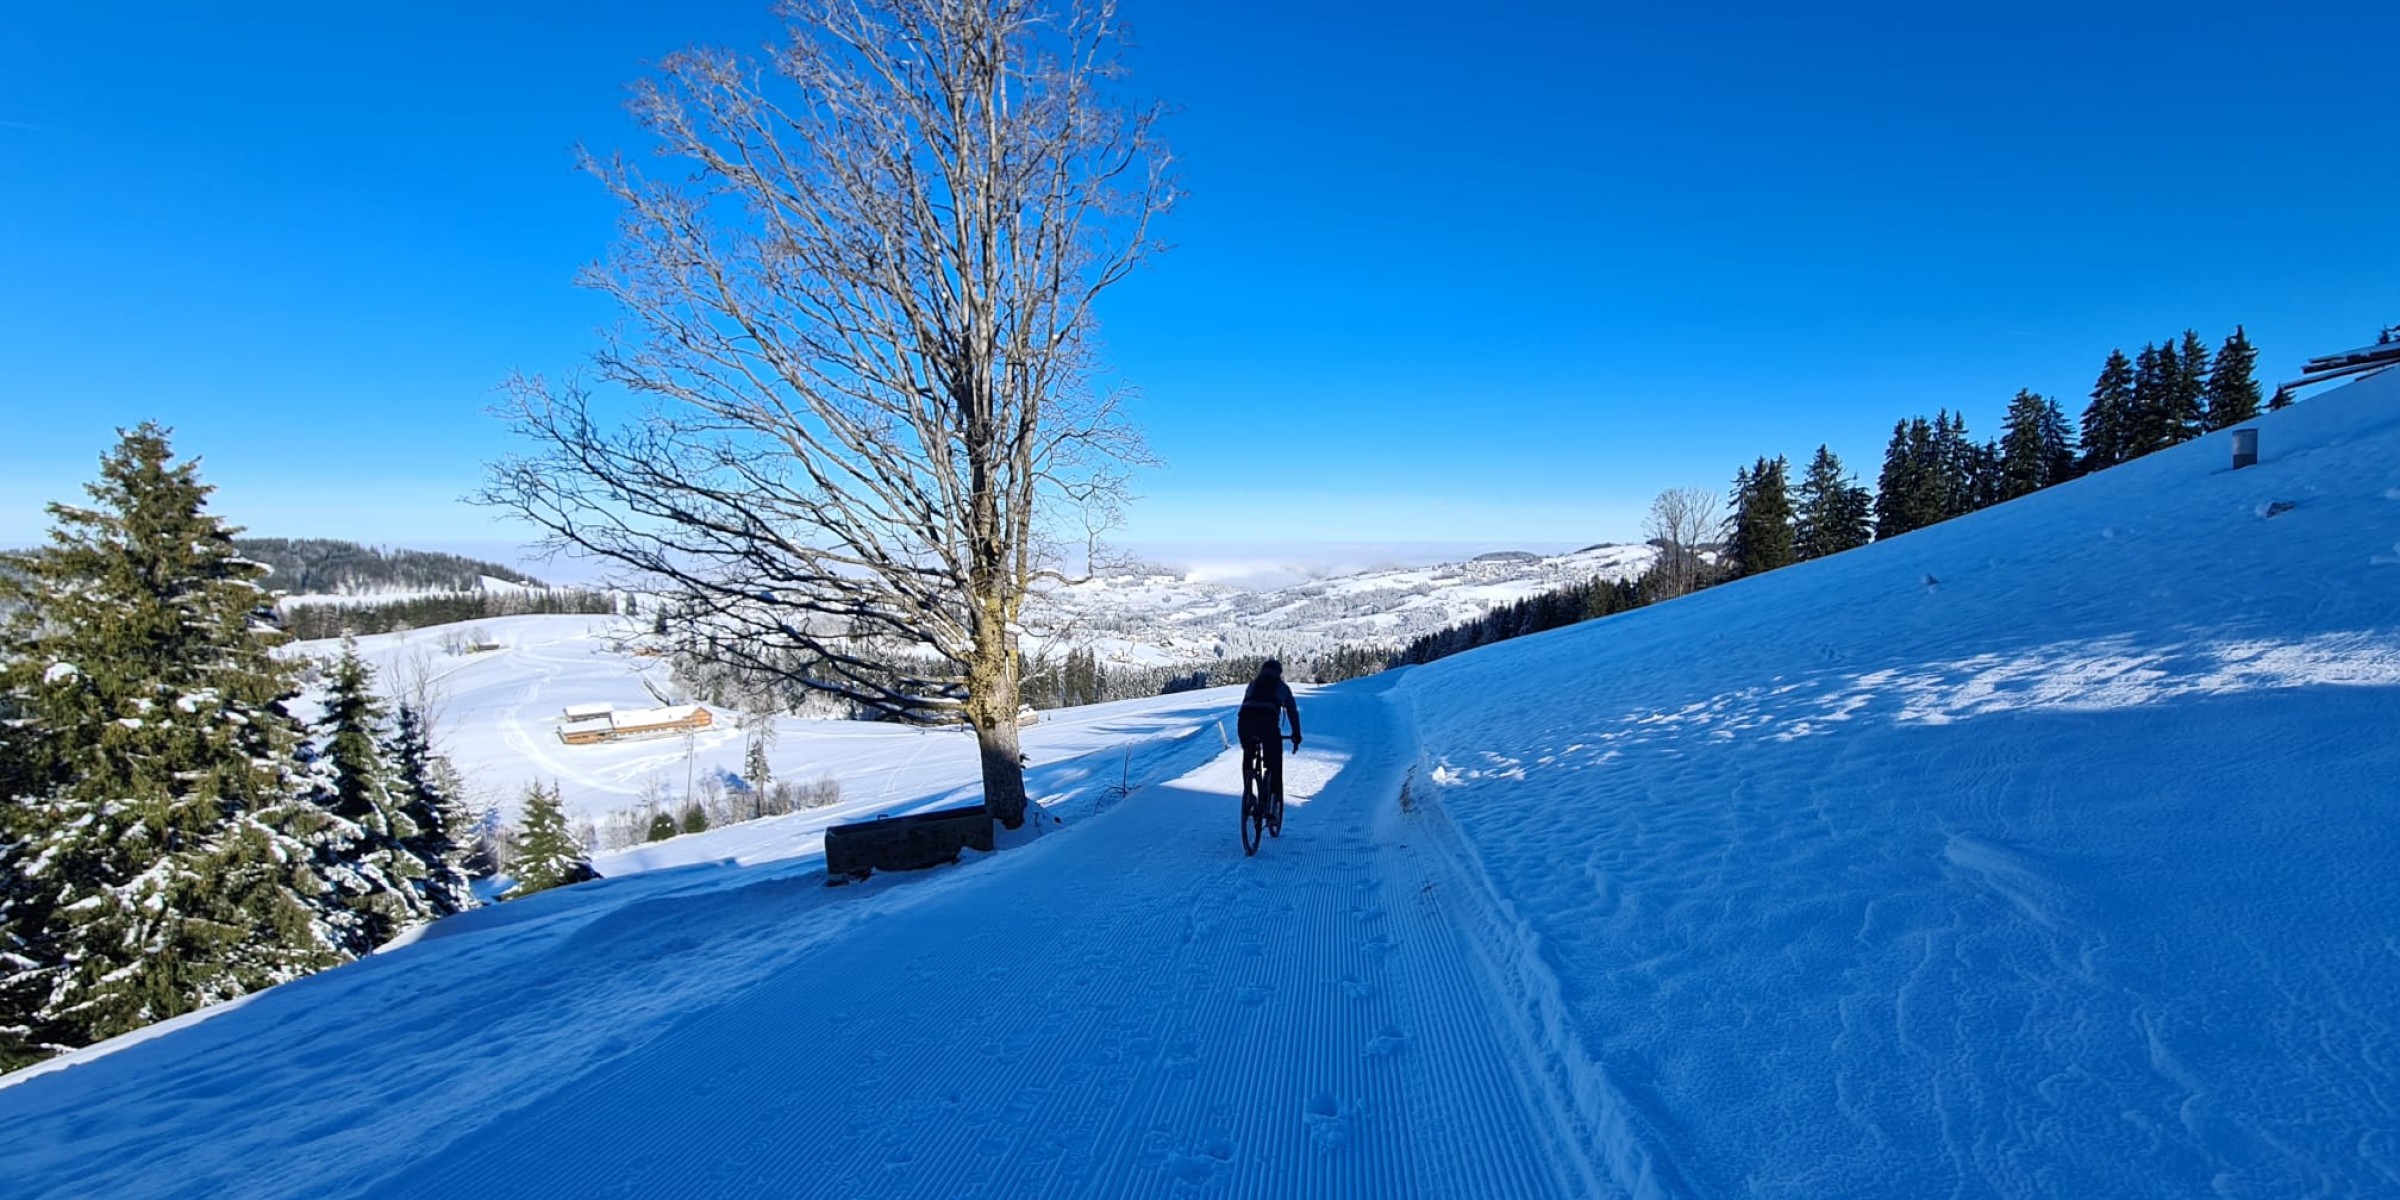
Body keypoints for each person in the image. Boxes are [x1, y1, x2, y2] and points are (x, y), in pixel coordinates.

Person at [1237, 659, 1302, 809]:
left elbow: (1246, 705)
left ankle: (1249, 793)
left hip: (1245, 723)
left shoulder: (1253, 684)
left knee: (1248, 755)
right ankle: (1273, 798)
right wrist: (1296, 735)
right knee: (1274, 761)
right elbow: (1292, 711)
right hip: (1267, 725)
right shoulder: (1282, 687)